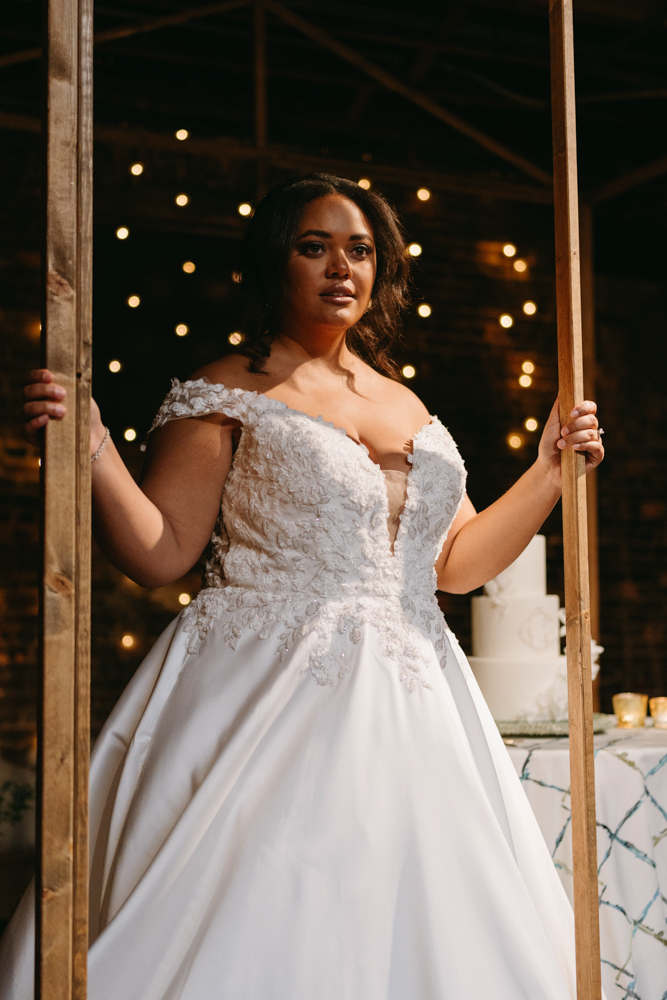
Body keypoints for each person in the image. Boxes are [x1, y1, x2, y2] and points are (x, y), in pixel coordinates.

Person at [3, 174, 604, 999]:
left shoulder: (405, 403)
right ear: (274, 264)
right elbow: (162, 552)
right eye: (312, 246)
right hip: (266, 693)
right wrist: (94, 449)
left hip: (417, 701)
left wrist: (546, 474)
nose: (340, 267)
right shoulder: (227, 393)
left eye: (358, 249)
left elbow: (456, 564)